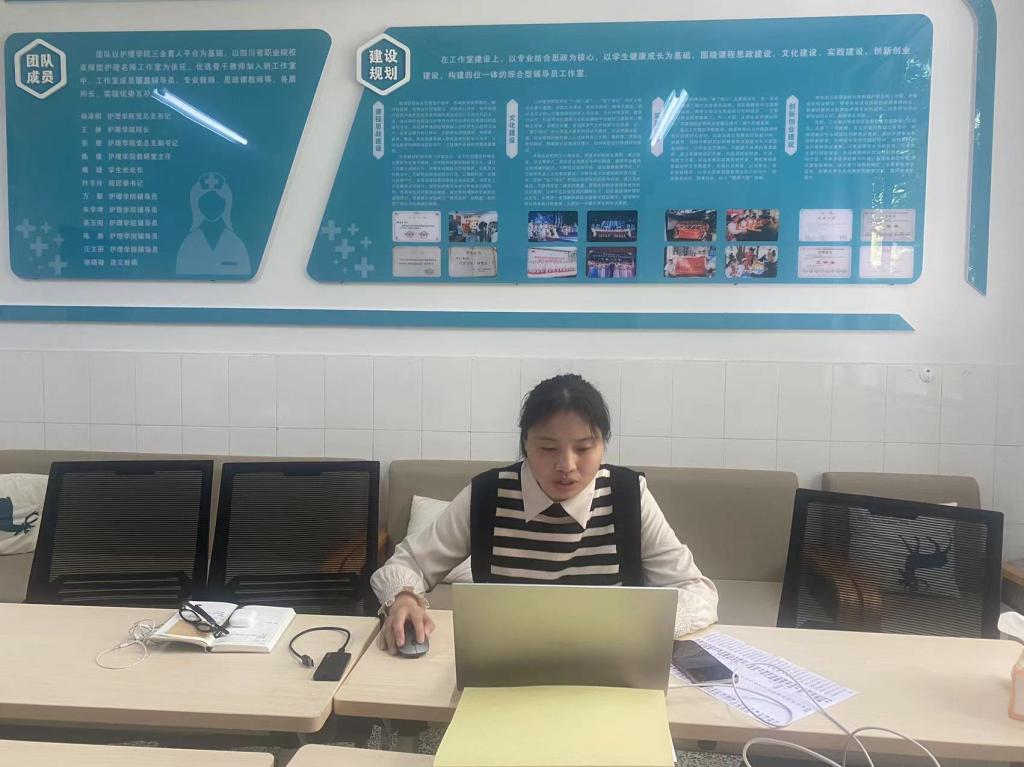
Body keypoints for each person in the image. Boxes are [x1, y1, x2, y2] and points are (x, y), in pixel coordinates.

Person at [371, 374, 719, 654]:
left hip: (610, 664)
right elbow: (408, 563)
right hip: (504, 660)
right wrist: (403, 598)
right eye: (548, 448)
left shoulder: (628, 496)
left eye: (584, 448)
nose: (566, 465)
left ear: (603, 445)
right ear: (525, 443)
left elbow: (697, 590)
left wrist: (646, 625)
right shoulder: (488, 494)